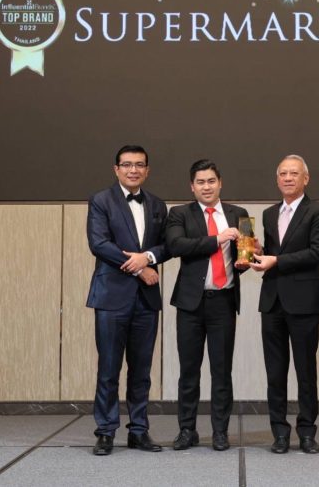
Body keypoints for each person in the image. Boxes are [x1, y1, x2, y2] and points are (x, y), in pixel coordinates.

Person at [86, 145, 169, 456]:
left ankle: (138, 431)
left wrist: (149, 258)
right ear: (116, 169)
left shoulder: (158, 205)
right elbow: (99, 243)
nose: (133, 170)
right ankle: (106, 431)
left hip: (146, 301)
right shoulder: (101, 200)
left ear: (147, 170)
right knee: (108, 368)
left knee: (141, 370)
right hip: (111, 297)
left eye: (139, 165)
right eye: (127, 165)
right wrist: (139, 268)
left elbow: (167, 245)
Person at [165, 159, 250, 452]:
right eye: (200, 182)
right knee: (189, 371)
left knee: (221, 371)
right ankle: (186, 430)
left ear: (220, 183)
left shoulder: (239, 214)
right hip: (190, 303)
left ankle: (220, 432)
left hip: (223, 302)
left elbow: (245, 255)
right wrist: (217, 239)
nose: (206, 187)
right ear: (192, 186)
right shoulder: (179, 214)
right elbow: (177, 246)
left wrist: (248, 258)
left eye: (211, 181)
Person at [251, 154, 319, 455]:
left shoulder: (318, 211)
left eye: (294, 173)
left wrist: (276, 260)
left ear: (305, 179)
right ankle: (280, 433)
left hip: (304, 302)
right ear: (277, 179)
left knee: (305, 370)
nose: (287, 178)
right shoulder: (269, 213)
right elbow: (274, 252)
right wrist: (259, 251)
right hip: (272, 301)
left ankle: (307, 432)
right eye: (283, 173)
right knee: (275, 372)